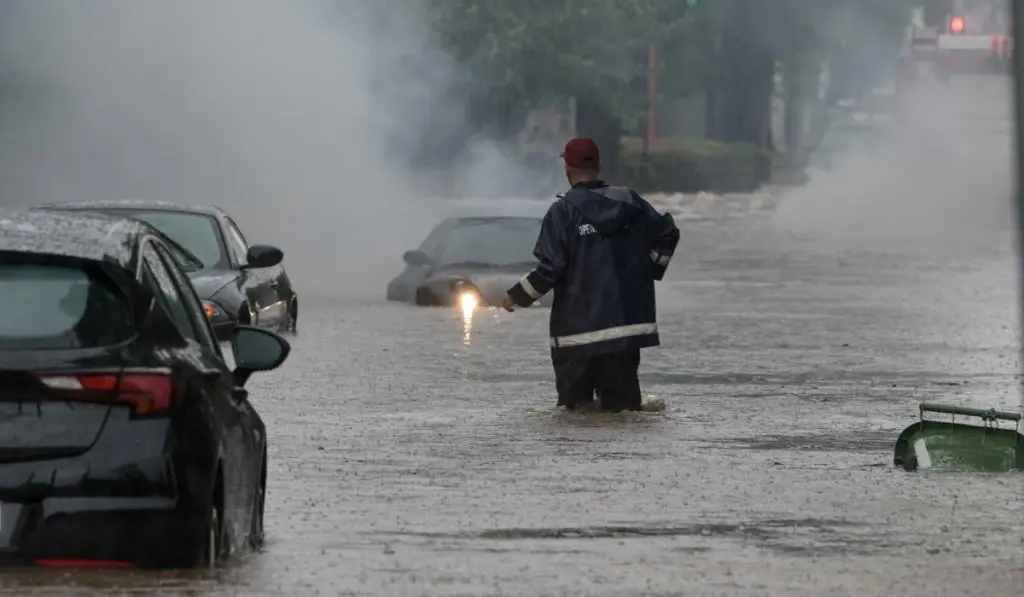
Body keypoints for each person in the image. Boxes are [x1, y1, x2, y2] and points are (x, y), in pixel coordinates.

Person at [502, 137, 680, 413]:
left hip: (577, 338)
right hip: (624, 333)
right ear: (600, 163)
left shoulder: (561, 213)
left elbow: (551, 268)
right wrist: (651, 268)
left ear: (567, 168)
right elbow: (667, 232)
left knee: (576, 417)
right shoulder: (630, 202)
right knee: (624, 415)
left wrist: (515, 297)